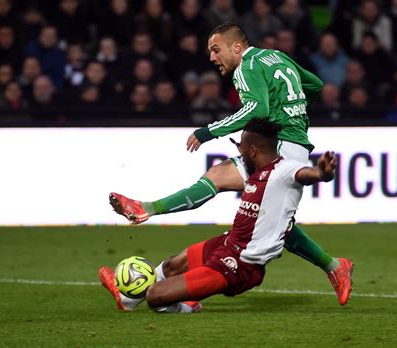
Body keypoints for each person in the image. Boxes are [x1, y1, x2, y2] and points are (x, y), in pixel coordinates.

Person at [109, 22, 353, 305]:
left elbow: (256, 108)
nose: (212, 58)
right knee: (247, 201)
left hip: (279, 147)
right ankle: (334, 266)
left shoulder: (246, 66)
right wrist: (290, 108)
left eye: (216, 49)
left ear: (237, 47)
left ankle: (146, 210)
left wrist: (208, 131)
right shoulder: (275, 56)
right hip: (291, 143)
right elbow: (315, 85)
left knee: (254, 209)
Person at [101, 118, 351, 312]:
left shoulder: (285, 170)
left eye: (241, 149)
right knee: (171, 265)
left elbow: (306, 174)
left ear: (253, 150)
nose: (239, 154)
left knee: (156, 295)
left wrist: (323, 173)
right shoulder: (256, 169)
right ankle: (127, 300)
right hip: (228, 244)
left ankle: (185, 307)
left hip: (240, 266)